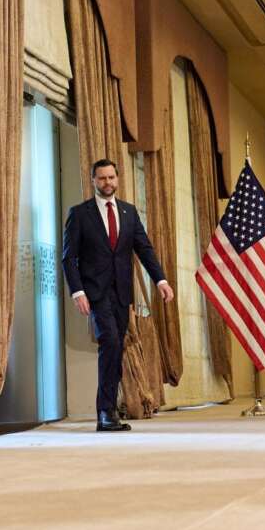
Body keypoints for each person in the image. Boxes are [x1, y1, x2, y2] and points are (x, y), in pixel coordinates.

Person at [62, 158, 174, 431]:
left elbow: (144, 249)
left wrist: (160, 280)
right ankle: (105, 412)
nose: (107, 182)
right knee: (110, 342)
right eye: (102, 178)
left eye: (111, 177)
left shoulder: (128, 212)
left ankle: (109, 410)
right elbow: (69, 257)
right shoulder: (80, 214)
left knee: (116, 347)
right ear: (93, 180)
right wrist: (78, 291)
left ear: (117, 179)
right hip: (95, 292)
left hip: (123, 292)